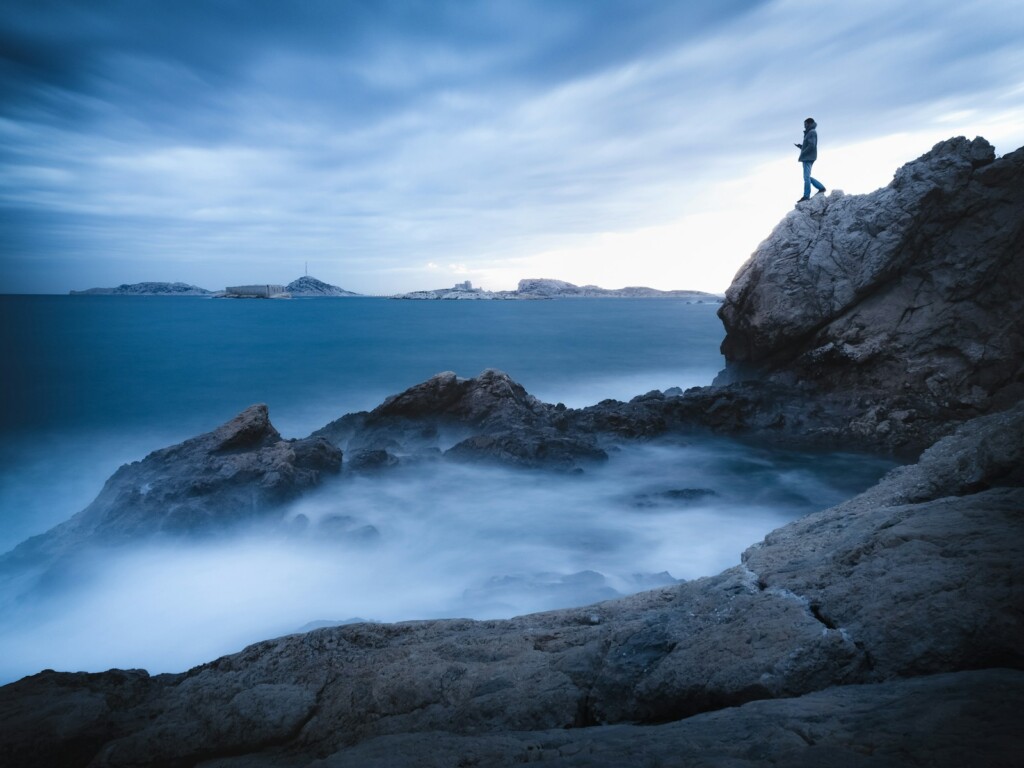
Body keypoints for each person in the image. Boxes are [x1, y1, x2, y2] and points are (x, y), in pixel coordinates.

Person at [794, 117, 826, 203]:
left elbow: (812, 145)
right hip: (808, 157)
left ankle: (806, 196)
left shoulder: (811, 132)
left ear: (809, 123)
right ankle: (821, 187)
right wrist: (801, 147)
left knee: (806, 177)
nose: (804, 126)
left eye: (805, 124)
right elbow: (809, 145)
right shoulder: (810, 133)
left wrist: (803, 152)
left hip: (808, 157)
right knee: (807, 177)